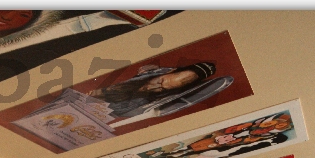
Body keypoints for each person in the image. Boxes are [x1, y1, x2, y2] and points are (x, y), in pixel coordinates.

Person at [87, 62, 218, 118]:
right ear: (169, 72)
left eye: (162, 89)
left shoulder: (139, 103)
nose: (153, 87)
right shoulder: (146, 72)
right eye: (160, 81)